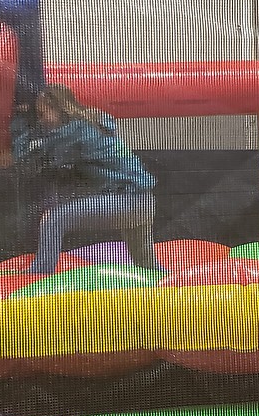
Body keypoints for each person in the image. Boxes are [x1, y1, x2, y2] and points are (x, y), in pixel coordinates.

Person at [12, 83, 160, 274]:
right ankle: (173, 286)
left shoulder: (71, 134)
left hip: (125, 202)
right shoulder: (92, 123)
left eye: (42, 114)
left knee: (53, 219)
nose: (41, 121)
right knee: (147, 266)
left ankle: (38, 274)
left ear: (59, 109)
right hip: (145, 202)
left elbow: (23, 158)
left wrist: (20, 122)